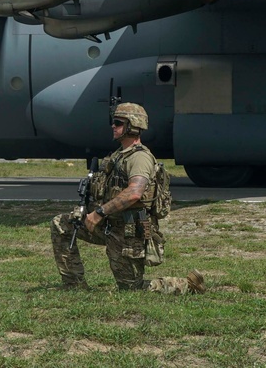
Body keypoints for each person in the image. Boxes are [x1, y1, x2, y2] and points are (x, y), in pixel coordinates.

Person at [50, 102, 205, 295]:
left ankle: (187, 285)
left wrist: (98, 213)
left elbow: (134, 192)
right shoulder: (118, 156)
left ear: (132, 125)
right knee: (61, 224)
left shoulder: (139, 158)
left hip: (128, 234)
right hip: (108, 226)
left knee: (131, 289)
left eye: (118, 122)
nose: (113, 126)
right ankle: (73, 285)